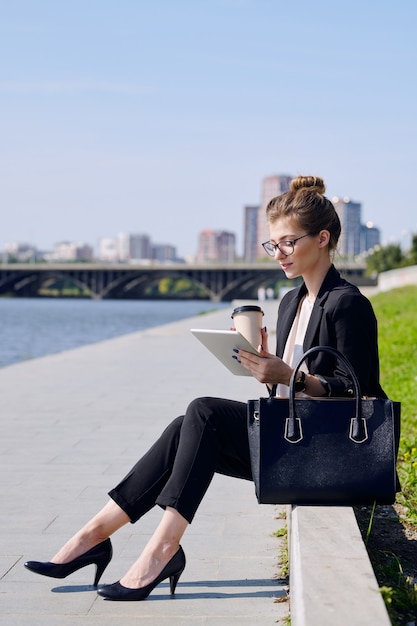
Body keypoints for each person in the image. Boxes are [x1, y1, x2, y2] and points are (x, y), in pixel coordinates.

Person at [24, 175, 386, 601]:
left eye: (288, 242)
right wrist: (263, 365)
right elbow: (289, 387)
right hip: (293, 438)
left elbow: (363, 391)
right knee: (185, 426)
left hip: (325, 452)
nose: (278, 254)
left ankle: (161, 549)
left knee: (204, 412)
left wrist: (291, 376)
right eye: (273, 245)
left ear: (323, 238)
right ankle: (94, 534)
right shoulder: (292, 301)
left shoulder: (347, 303)